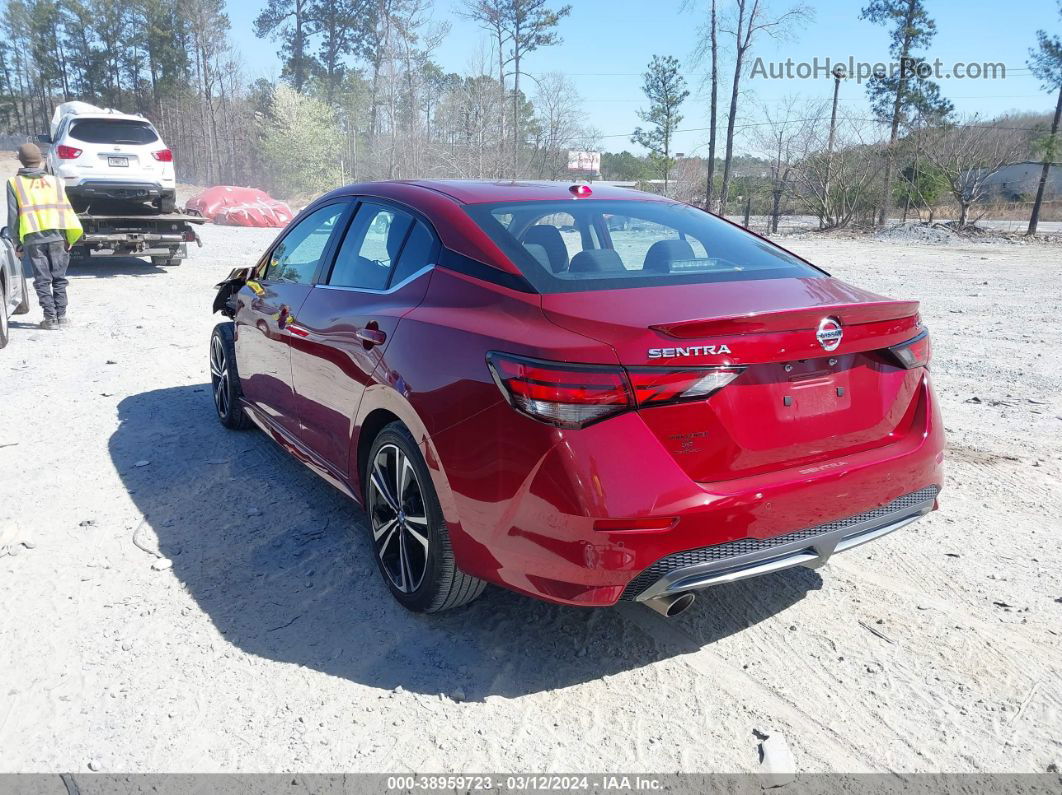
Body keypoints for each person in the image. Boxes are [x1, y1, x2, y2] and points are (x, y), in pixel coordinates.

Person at [6, 143, 83, 330]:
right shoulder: (55, 181)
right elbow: (65, 209)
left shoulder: (14, 183)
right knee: (59, 277)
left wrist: (16, 243)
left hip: (33, 239)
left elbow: (13, 216)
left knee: (42, 279)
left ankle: (50, 318)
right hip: (58, 236)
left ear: (21, 160)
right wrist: (69, 236)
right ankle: (62, 317)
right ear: (40, 159)